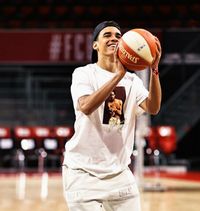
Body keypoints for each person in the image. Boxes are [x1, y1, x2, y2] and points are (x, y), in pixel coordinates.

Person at [62, 20, 162, 211]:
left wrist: (154, 69)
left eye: (118, 35)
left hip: (120, 174)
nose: (114, 38)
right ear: (95, 45)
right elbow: (86, 106)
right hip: (83, 173)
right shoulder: (84, 73)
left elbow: (153, 107)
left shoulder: (132, 81)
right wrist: (117, 76)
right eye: (107, 35)